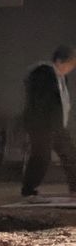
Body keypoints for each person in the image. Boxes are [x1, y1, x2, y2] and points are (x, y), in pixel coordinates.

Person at [20, 45, 76, 198]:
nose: (70, 69)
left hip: (57, 124)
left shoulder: (61, 77)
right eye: (69, 65)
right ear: (59, 61)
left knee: (70, 155)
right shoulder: (43, 73)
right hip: (41, 124)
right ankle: (29, 189)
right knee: (41, 156)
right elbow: (40, 101)